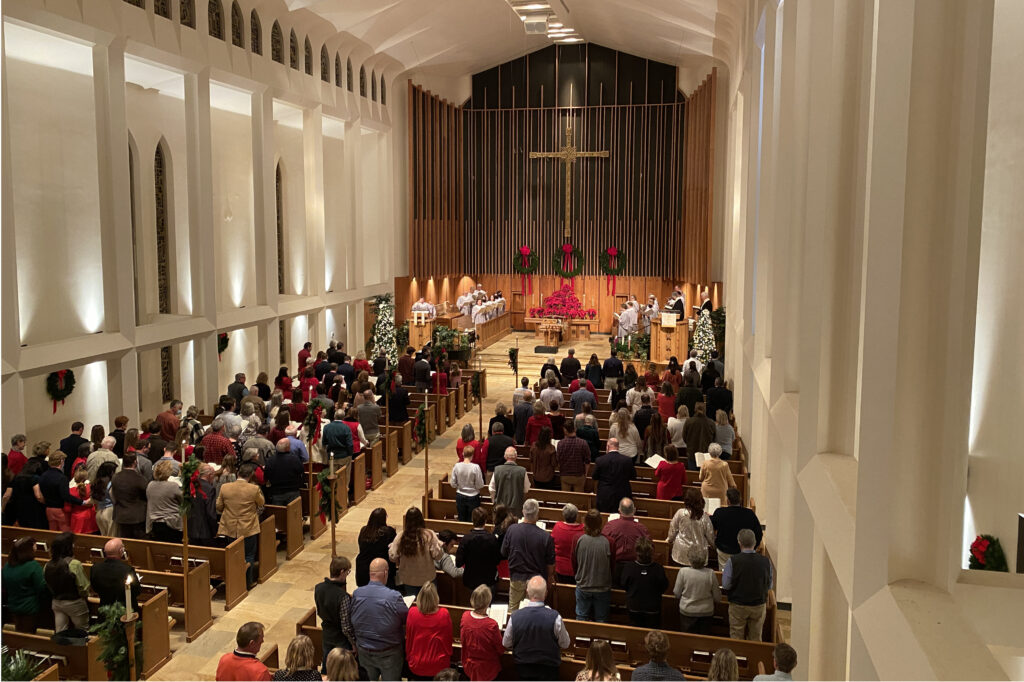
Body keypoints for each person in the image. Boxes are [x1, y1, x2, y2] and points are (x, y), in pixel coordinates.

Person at [350, 558, 409, 682]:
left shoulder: (357, 593)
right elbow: (406, 618)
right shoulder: (393, 596)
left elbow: (353, 617)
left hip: (364, 650)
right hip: (389, 652)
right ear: (386, 573)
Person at [502, 576, 570, 680]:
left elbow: (506, 643)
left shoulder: (515, 616)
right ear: (546, 593)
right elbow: (565, 644)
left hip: (523, 670)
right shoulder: (555, 617)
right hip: (549, 671)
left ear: (527, 593)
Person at [501, 499, 555, 612]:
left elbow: (503, 552)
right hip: (537, 581)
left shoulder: (512, 530)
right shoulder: (545, 537)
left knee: (514, 611)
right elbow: (550, 565)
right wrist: (549, 579)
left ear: (522, 511)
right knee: (534, 612)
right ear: (537, 514)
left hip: (517, 577)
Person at [217, 462, 265, 588]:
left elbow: (219, 506)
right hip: (248, 527)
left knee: (233, 554)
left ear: (238, 473)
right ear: (250, 476)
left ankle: (234, 582)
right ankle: (247, 583)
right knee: (248, 554)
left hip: (230, 526)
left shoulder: (224, 487)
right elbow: (261, 503)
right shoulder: (253, 489)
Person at [723, 529, 774, 641]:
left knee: (736, 636)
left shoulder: (733, 561)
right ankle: (754, 658)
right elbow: (769, 586)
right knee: (756, 637)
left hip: (738, 605)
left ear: (739, 543)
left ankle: (737, 657)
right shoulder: (766, 562)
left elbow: (726, 585)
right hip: (758, 605)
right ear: (755, 543)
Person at [388, 506, 444, 597]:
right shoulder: (429, 535)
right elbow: (438, 556)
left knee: (413, 607)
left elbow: (392, 557)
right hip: (427, 579)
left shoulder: (401, 536)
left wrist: (392, 548)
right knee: (429, 607)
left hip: (408, 579)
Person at [315, 556, 357, 673]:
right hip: (340, 638)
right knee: (343, 669)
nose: (348, 575)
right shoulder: (342, 597)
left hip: (326, 632)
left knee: (327, 664)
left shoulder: (319, 588)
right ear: (341, 572)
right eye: (348, 572)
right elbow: (346, 625)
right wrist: (353, 643)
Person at [573, 509, 614, 622]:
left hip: (583, 585)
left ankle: (580, 640)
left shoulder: (578, 539)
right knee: (601, 620)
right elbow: (612, 565)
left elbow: (574, 562)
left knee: (581, 618)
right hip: (602, 587)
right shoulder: (609, 541)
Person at [43, 531, 90, 633]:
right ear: (69, 547)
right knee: (82, 632)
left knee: (60, 633)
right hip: (74, 602)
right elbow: (83, 587)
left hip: (56, 602)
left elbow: (46, 582)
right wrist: (85, 597)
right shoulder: (75, 564)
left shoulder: (47, 565)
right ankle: (79, 649)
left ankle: (63, 649)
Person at [405, 581, 453, 679]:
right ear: (436, 598)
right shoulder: (444, 614)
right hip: (438, 664)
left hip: (417, 663)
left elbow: (409, 639)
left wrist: (409, 656)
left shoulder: (412, 612)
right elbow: (448, 641)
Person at [2, 536, 48, 633]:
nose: (36, 548)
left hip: (13, 604)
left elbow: (4, 585)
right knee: (27, 635)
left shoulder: (7, 565)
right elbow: (41, 587)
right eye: (34, 546)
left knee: (19, 630)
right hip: (29, 607)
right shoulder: (33, 566)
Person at [619, 536, 668, 628]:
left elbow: (623, 584)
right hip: (652, 607)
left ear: (636, 552)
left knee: (635, 631)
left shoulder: (629, 567)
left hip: (634, 606)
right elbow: (664, 586)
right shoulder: (658, 569)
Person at [460, 584, 504, 681]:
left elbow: (463, 640)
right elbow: (500, 649)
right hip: (487, 669)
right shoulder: (491, 625)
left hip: (470, 667)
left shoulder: (465, 616)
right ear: (488, 602)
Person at [673, 545, 721, 634]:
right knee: (704, 640)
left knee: (687, 639)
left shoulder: (683, 572)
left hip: (687, 611)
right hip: (706, 612)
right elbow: (717, 597)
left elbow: (677, 593)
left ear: (689, 558)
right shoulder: (710, 573)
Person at [712, 488, 763, 568]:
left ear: (728, 501)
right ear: (740, 500)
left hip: (724, 551)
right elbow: (759, 533)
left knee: (725, 574)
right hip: (742, 552)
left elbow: (711, 528)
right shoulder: (749, 514)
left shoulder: (720, 512)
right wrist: (752, 549)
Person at [40, 451, 90, 531]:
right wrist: (82, 502)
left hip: (48, 509)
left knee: (52, 531)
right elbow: (66, 496)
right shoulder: (61, 478)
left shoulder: (43, 475)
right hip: (60, 510)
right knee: (64, 532)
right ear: (61, 461)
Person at [455, 507, 502, 590]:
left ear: (472, 520)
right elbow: (497, 560)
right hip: (489, 580)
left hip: (471, 581)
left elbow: (458, 562)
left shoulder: (466, 539)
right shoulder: (492, 539)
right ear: (485, 521)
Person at [90, 538, 141, 611]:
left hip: (104, 608)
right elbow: (137, 591)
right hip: (126, 610)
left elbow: (95, 588)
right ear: (121, 551)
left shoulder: (95, 568)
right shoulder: (127, 570)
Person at [667, 489, 715, 566]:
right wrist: (714, 546)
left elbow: (673, 530)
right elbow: (710, 537)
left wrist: (670, 540)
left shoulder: (680, 513)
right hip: (699, 554)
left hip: (681, 553)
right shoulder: (704, 517)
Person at [602, 498, 651, 572]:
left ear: (619, 510)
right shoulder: (642, 528)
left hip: (613, 568)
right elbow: (649, 547)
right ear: (634, 510)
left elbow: (602, 544)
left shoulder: (610, 526)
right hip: (635, 569)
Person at [356, 507, 398, 588]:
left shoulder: (364, 530)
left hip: (363, 570)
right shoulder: (389, 532)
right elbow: (394, 549)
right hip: (381, 571)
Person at [592, 438, 635, 513]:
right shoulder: (627, 460)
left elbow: (594, 476)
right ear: (618, 447)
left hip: (604, 494)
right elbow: (633, 476)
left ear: (607, 446)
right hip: (622, 493)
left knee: (604, 516)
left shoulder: (600, 460)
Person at [3, 458, 47, 529]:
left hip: (19, 506)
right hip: (32, 507)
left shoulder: (16, 477)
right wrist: (45, 502)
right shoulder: (34, 478)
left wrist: (2, 508)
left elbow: (7, 495)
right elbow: (38, 496)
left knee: (23, 526)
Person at [112, 453, 148, 538]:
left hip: (121, 516)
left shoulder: (115, 477)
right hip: (136, 517)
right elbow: (147, 495)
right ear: (135, 462)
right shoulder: (139, 479)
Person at [147, 459, 183, 542]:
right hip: (171, 523)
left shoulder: (150, 485)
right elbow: (183, 501)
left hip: (155, 523)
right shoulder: (173, 486)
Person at [489, 447, 530, 516]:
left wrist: (495, 501)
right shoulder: (522, 471)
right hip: (516, 507)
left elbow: (491, 488)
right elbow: (526, 489)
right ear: (516, 456)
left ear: (505, 457)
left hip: (500, 507)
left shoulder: (497, 469)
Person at [551, 503, 585, 584]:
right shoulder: (583, 529)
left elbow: (552, 543)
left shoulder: (557, 526)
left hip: (559, 569)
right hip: (577, 569)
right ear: (577, 516)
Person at [265, 438, 304, 506]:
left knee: (279, 515)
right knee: (294, 514)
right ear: (287, 448)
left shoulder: (270, 460)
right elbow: (301, 471)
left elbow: (266, 475)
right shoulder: (294, 459)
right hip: (293, 491)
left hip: (276, 492)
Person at [451, 446, 485, 521]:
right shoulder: (475, 467)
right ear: (472, 455)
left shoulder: (457, 466)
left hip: (460, 496)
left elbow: (453, 484)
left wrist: (460, 486)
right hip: (473, 497)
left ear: (463, 454)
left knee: (461, 519)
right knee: (473, 519)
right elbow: (480, 484)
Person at [683, 403, 717, 469]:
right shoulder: (711, 423)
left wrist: (689, 444)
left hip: (692, 452)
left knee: (693, 476)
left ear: (695, 410)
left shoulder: (689, 421)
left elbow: (684, 437)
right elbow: (714, 438)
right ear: (705, 410)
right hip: (706, 453)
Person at [91, 461, 117, 536]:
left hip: (99, 512)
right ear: (111, 472)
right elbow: (113, 499)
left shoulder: (97, 482)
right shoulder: (110, 484)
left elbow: (93, 499)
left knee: (103, 537)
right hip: (110, 511)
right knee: (111, 536)